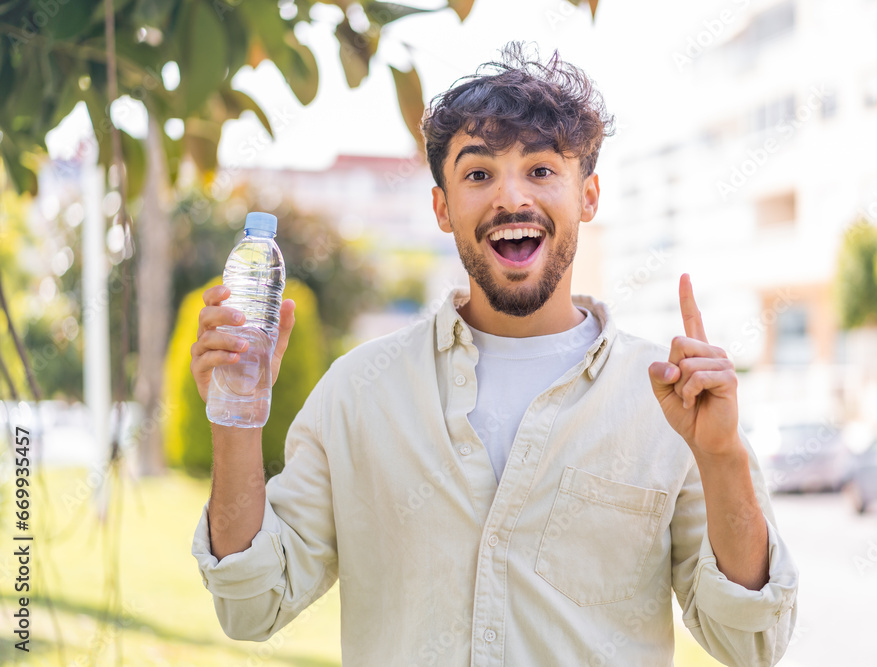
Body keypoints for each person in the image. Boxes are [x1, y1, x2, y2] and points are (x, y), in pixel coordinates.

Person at [190, 41, 798, 666]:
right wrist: (236, 419)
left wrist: (721, 456)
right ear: (442, 207)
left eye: (541, 170)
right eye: (478, 174)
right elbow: (252, 605)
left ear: (588, 196)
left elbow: (750, 642)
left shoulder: (672, 402)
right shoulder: (357, 392)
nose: (511, 198)